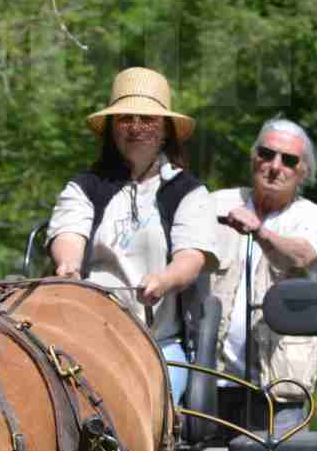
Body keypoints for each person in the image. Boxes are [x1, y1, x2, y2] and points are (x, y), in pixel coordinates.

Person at [47, 66, 218, 404]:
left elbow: (191, 258)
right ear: (111, 129)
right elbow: (69, 232)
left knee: (145, 407)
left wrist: (165, 279)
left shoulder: (189, 192)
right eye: (125, 118)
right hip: (84, 340)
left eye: (147, 118)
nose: (136, 127)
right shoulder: (85, 186)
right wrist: (67, 265)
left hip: (158, 345)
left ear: (166, 130)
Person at [211, 118, 317, 435]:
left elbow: (301, 256)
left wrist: (260, 232)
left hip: (281, 385)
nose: (274, 166)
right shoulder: (214, 203)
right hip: (210, 376)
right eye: (266, 154)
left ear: (303, 171)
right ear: (254, 157)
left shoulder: (316, 217)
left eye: (289, 160)